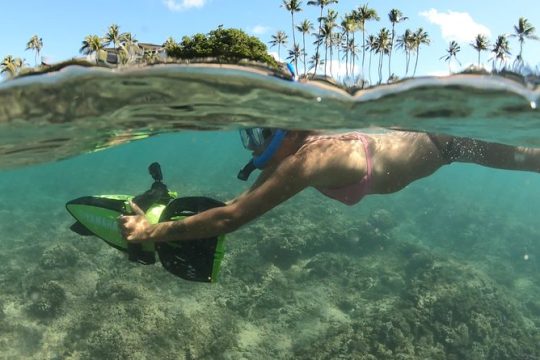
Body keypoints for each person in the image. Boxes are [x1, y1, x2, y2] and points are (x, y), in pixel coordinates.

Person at [118, 128, 540, 243]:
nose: (255, 147)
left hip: (445, 142)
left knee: (529, 161)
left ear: (285, 131)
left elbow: (232, 218)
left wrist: (153, 233)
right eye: (250, 137)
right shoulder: (298, 153)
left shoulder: (309, 160)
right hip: (427, 146)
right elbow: (236, 202)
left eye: (259, 134)